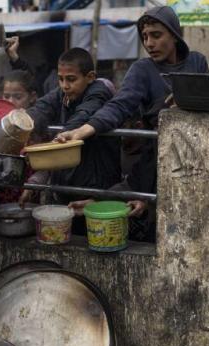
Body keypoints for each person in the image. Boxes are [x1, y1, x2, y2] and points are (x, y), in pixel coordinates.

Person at [55, 6, 209, 232]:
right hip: (159, 159)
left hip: (198, 161)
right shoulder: (142, 70)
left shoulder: (197, 63)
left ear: (175, 36)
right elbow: (120, 105)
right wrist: (81, 131)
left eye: (156, 35)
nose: (149, 43)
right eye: (144, 36)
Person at [25, 48, 121, 222]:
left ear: (90, 77)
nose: (64, 85)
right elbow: (40, 109)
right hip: (67, 184)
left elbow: (84, 114)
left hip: (96, 189)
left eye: (71, 79)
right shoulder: (63, 93)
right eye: (60, 79)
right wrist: (17, 126)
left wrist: (62, 136)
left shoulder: (99, 91)